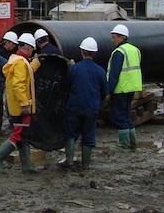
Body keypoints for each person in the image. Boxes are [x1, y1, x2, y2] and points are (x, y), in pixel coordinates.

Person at [0, 32, 40, 173]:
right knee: (18, 134)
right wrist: (24, 103)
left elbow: (24, 74)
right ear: (29, 48)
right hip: (20, 107)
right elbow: (19, 84)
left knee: (23, 135)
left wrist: (34, 65)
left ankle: (27, 165)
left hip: (15, 106)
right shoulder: (20, 63)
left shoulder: (17, 60)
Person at [61, 37, 108, 171]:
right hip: (91, 108)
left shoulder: (74, 69)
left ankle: (69, 160)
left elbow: (66, 86)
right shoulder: (100, 71)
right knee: (88, 137)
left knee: (70, 133)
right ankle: (85, 165)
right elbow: (105, 92)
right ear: (95, 53)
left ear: (82, 52)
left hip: (74, 106)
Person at [106, 23, 142, 150]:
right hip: (132, 87)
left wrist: (109, 92)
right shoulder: (135, 50)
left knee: (119, 116)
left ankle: (124, 144)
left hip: (121, 88)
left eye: (114, 37)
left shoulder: (119, 52)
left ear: (121, 37)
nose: (112, 39)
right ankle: (133, 143)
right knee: (125, 115)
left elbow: (114, 74)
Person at [0, 31, 19, 133]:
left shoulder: (6, 53)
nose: (14, 47)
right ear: (7, 43)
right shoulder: (1, 54)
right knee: (2, 105)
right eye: (13, 44)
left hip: (3, 82)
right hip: (1, 83)